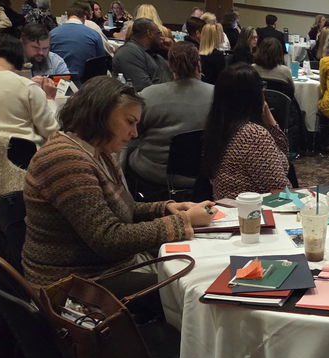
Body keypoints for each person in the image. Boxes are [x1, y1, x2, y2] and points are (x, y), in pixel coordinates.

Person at [23, 75, 213, 286]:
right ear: (100, 115)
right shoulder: (65, 160)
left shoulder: (98, 152)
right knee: (196, 287)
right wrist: (182, 221)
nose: (134, 133)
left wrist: (168, 209)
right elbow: (108, 239)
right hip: (77, 285)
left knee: (199, 274)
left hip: (105, 271)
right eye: (129, 122)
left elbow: (125, 210)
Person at [123, 41, 213, 198]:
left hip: (153, 176)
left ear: (169, 66)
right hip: (205, 176)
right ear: (199, 64)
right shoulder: (219, 96)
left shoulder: (148, 95)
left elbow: (133, 133)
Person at [202, 64, 291, 200]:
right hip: (253, 212)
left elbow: (282, 156)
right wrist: (303, 205)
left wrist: (269, 118)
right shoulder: (253, 135)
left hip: (228, 208)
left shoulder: (219, 127)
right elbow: (281, 190)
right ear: (255, 94)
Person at [113, 18, 168, 91]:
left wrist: (171, 51)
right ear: (149, 33)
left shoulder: (152, 51)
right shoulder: (128, 53)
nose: (162, 39)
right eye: (159, 33)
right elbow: (144, 90)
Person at [50, 2, 103, 76]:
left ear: (68, 17)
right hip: (86, 81)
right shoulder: (94, 34)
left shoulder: (52, 34)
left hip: (58, 80)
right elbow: (101, 61)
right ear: (85, 17)